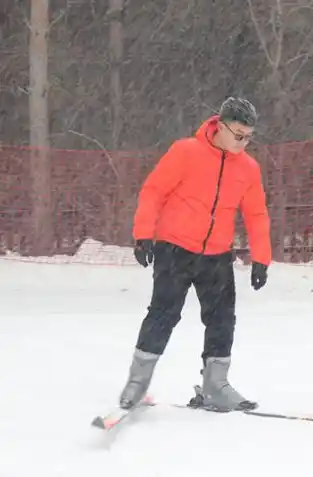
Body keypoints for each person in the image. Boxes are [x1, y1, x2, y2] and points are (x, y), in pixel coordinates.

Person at [118, 97, 272, 412]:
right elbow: (154, 191)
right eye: (238, 134)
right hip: (175, 248)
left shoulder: (248, 169)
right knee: (163, 314)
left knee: (222, 319)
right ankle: (137, 383)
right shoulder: (186, 152)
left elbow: (256, 215)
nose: (243, 142)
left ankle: (215, 385)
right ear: (221, 125)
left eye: (248, 137)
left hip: (216, 255)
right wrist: (143, 234)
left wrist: (261, 259)